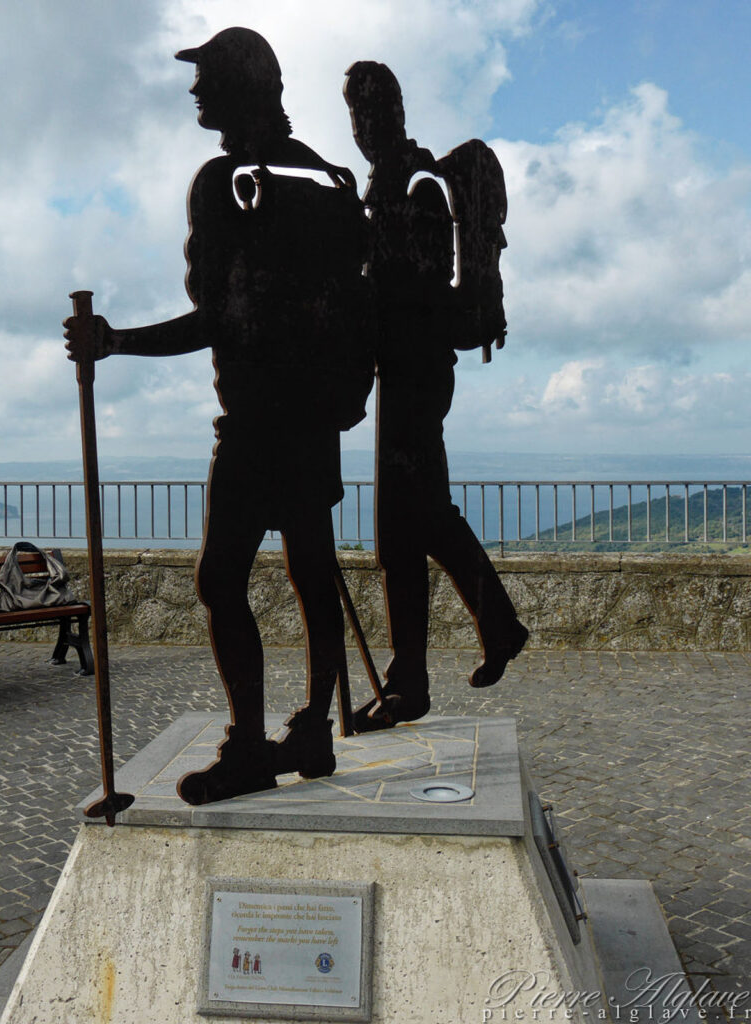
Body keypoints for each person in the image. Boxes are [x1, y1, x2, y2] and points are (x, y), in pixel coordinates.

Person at [65, 28, 373, 800]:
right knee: (312, 570)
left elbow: (217, 320)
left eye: (207, 77)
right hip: (316, 422)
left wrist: (114, 342)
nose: (195, 92)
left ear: (246, 84)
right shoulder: (334, 182)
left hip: (259, 421)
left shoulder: (228, 181)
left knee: (219, 579)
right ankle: (312, 735)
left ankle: (247, 745)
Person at [343, 61, 528, 732]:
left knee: (404, 531)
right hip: (406, 372)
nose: (362, 129)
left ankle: (413, 681)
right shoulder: (392, 184)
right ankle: (488, 631)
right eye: (355, 117)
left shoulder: (415, 188)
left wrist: (366, 279)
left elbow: (419, 287)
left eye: (369, 114)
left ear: (391, 113)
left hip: (417, 373)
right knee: (421, 523)